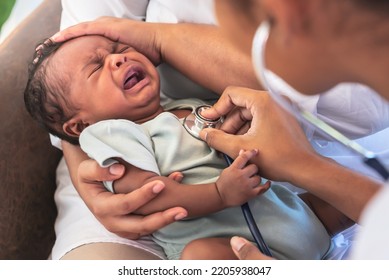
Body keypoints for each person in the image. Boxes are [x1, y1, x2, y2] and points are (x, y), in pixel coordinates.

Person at [50, 0, 389, 260]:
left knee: (338, 202)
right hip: (228, 229)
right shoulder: (111, 136)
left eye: (121, 49)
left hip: (283, 204)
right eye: (99, 66)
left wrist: (298, 165)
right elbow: (148, 191)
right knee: (200, 256)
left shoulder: (184, 103)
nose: (119, 58)